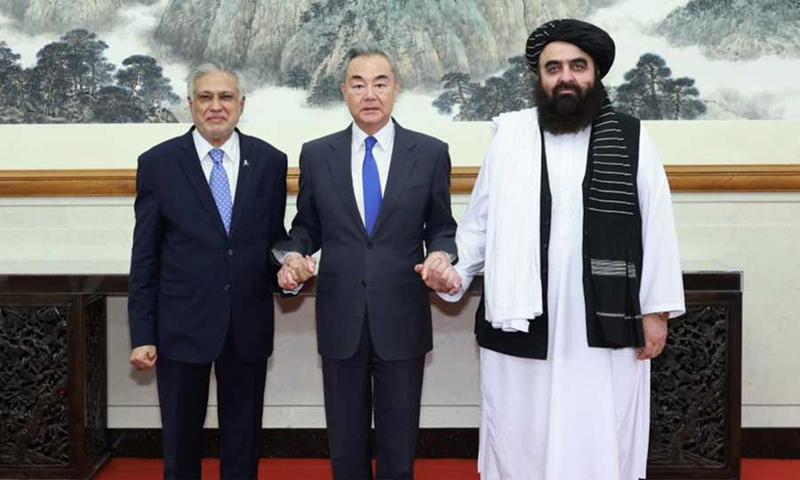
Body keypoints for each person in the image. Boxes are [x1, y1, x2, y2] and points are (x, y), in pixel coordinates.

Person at [426, 19, 685, 480]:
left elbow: (657, 227)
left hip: (604, 322)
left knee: (599, 434)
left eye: (577, 66)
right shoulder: (510, 138)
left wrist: (657, 312)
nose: (566, 77)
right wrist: (454, 271)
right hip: (521, 318)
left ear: (596, 73)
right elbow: (479, 225)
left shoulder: (631, 137)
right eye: (553, 68)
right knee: (520, 435)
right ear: (540, 78)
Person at [275, 43, 457, 480]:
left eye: (380, 83)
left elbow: (442, 227)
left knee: (399, 450)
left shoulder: (430, 152)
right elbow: (306, 227)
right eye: (358, 85)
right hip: (341, 318)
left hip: (402, 317)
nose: (369, 94)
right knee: (345, 448)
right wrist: (293, 255)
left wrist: (441, 254)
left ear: (396, 88)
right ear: (343, 91)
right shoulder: (317, 154)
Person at [128, 63, 288, 480]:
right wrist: (142, 333)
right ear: (190, 104)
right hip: (181, 327)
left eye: (225, 97)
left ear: (241, 104)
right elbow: (145, 257)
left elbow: (274, 240)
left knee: (244, 448)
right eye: (205, 97)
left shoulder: (270, 162)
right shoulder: (159, 163)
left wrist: (289, 266)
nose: (216, 106)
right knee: (181, 450)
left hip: (247, 326)